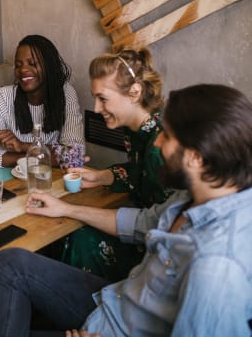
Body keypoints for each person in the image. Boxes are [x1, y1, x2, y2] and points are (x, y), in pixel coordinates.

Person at [0, 84, 252, 336]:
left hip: (115, 328)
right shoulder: (192, 197)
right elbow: (139, 222)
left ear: (196, 157)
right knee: (9, 263)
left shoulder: (216, 267)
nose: (157, 143)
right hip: (115, 301)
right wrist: (66, 209)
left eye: (167, 136)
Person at [61, 48, 173, 281]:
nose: (95, 109)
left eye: (102, 98)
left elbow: (163, 223)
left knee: (78, 236)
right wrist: (102, 176)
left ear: (134, 92)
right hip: (142, 227)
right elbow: (139, 173)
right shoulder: (135, 130)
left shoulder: (160, 146)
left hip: (158, 257)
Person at [0, 35, 84, 170]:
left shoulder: (65, 93)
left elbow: (74, 156)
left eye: (32, 63)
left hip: (44, 179)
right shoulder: (3, 96)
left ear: (49, 66)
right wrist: (44, 156)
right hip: (6, 179)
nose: (23, 70)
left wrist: (21, 146)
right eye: (18, 65)